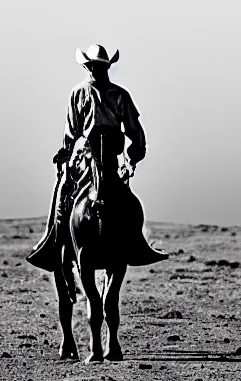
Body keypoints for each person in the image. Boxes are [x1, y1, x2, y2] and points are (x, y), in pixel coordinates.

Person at [27, 43, 168, 272]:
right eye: (92, 66)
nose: (95, 70)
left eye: (99, 66)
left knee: (129, 204)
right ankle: (55, 244)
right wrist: (66, 154)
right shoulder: (78, 93)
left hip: (112, 159)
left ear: (107, 67)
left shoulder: (121, 95)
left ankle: (136, 244)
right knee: (63, 193)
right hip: (84, 160)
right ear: (87, 67)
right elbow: (71, 133)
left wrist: (132, 158)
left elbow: (136, 133)